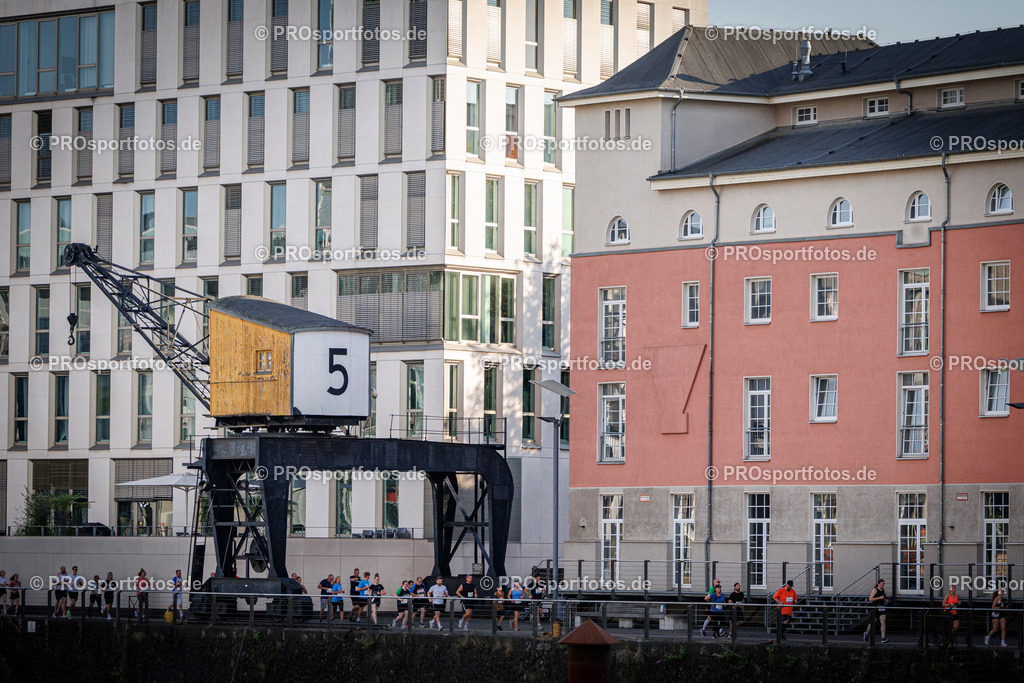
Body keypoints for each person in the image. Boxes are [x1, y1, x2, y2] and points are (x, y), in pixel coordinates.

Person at [864, 578, 889, 643]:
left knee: (883, 623)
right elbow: (870, 599)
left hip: (882, 607)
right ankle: (866, 633)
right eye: (882, 584)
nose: (883, 585)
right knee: (873, 622)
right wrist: (879, 598)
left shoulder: (883, 590)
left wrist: (884, 600)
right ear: (878, 584)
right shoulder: (875, 590)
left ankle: (883, 638)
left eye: (884, 584)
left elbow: (883, 598)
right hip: (875, 607)